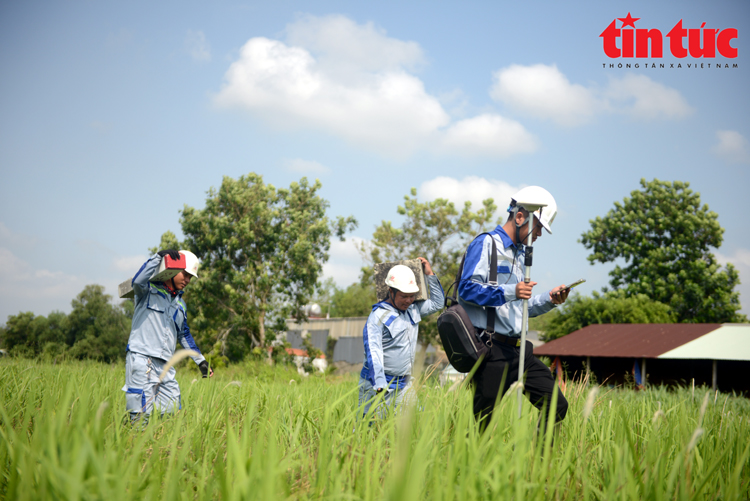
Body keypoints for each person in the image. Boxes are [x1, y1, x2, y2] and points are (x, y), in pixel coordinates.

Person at [458, 186, 569, 432]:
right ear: (520, 217)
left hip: (521, 351)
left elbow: (520, 307)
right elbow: (465, 290)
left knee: (557, 406)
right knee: (479, 428)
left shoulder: (520, 255)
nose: (539, 234)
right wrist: (512, 291)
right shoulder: (486, 244)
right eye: (538, 227)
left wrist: (550, 300)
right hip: (492, 351)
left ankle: (538, 466)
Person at [123, 249, 213, 423]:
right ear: (171, 270)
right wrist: (158, 257)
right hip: (142, 359)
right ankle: (130, 440)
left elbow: (184, 334)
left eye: (190, 277)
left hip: (165, 364)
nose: (187, 280)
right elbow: (137, 281)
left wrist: (200, 361)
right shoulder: (147, 291)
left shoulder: (180, 304)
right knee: (140, 414)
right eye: (185, 274)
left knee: (171, 409)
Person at [359, 257, 444, 417]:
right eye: (404, 296)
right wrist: (379, 383)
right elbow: (373, 350)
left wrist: (429, 274)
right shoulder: (378, 316)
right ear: (391, 291)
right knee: (369, 430)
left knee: (413, 424)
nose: (408, 300)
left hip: (404, 383)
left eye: (412, 296)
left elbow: (438, 303)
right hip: (378, 384)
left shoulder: (413, 309)